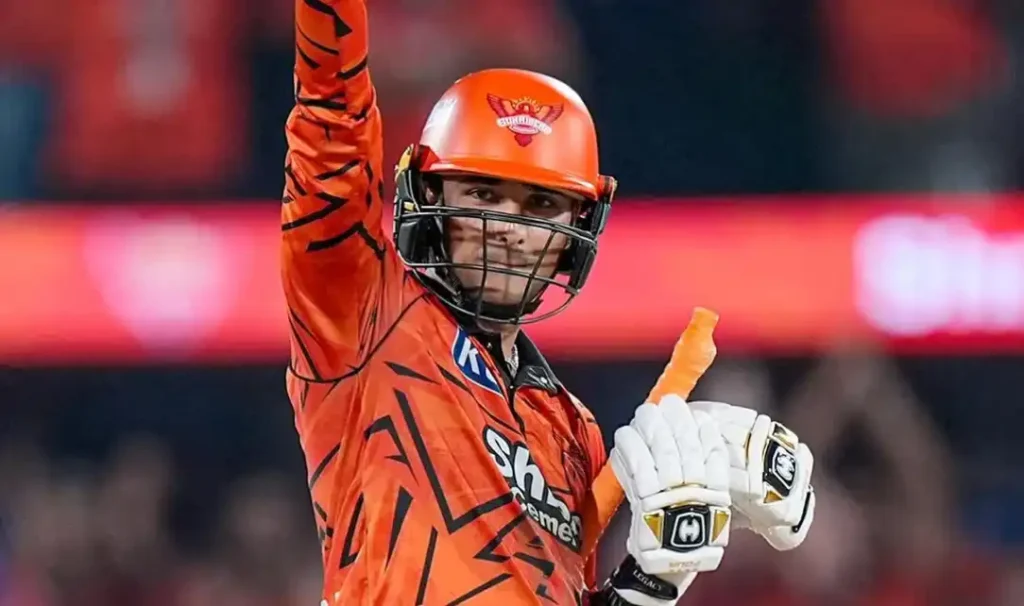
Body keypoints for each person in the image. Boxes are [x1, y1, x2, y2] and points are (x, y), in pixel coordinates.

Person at [280, 1, 817, 604]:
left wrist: (650, 582)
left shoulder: (571, 428)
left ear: (575, 230)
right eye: (483, 193)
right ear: (427, 196)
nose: (510, 227)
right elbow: (331, 116)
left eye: (539, 206)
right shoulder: (361, 314)